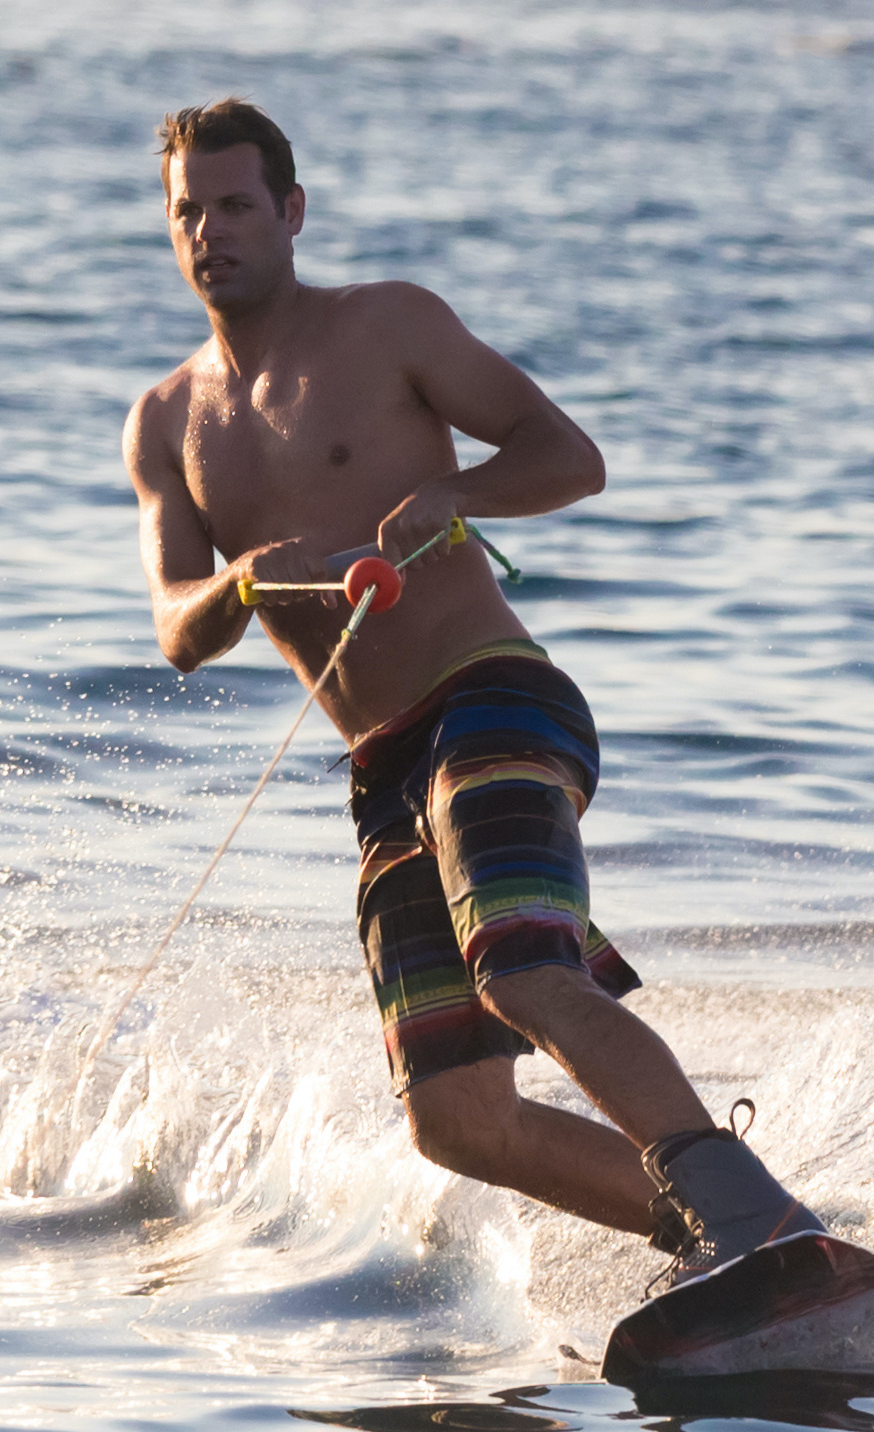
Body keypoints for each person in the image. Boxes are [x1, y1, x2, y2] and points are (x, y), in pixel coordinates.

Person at [122, 98, 823, 1283]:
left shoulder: (388, 325)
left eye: (236, 205)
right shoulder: (167, 424)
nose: (211, 232)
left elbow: (570, 457)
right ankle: (721, 1242)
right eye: (188, 212)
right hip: (380, 764)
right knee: (453, 1120)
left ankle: (753, 1219)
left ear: (291, 214)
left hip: (492, 694)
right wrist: (238, 581)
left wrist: (462, 499)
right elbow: (176, 631)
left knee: (518, 966)